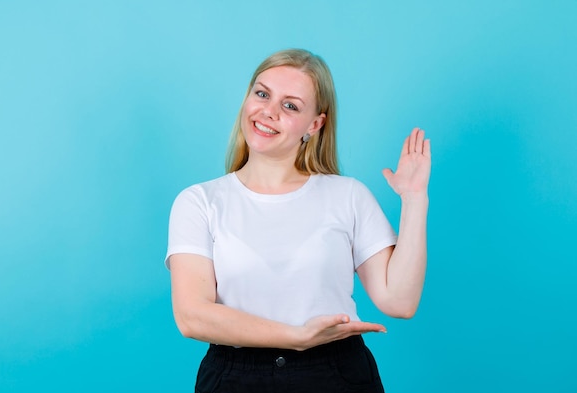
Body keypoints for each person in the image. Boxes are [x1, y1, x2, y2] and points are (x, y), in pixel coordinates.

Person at [166, 48, 431, 393]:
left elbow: (399, 301)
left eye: (290, 106)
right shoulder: (199, 201)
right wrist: (297, 337)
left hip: (336, 375)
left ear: (315, 124)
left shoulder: (348, 195)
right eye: (262, 94)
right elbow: (192, 316)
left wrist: (414, 200)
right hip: (236, 377)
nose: (268, 112)